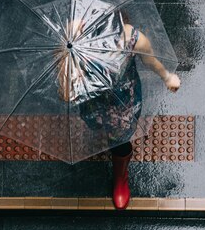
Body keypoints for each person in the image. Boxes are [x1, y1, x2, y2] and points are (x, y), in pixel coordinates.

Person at [57, 14, 180, 209]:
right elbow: (65, 94)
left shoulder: (132, 38)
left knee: (120, 139)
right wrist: (68, 56)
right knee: (96, 125)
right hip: (93, 102)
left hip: (122, 104)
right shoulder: (76, 38)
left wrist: (166, 76)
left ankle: (120, 176)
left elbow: (150, 61)